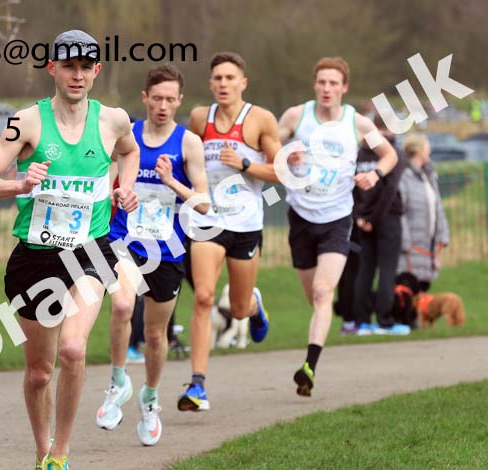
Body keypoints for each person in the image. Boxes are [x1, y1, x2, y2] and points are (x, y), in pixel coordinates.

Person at [0, 30, 139, 470]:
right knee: (40, 372)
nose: (78, 74)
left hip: (89, 251)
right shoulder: (25, 123)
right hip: (35, 259)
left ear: (97, 71)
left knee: (72, 348)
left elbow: (128, 152)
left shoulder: (113, 120)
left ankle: (62, 457)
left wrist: (123, 187)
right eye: (69, 66)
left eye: (87, 66)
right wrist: (20, 184)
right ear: (52, 68)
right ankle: (42, 454)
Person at [96, 64, 209, 445]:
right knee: (123, 307)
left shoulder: (188, 142)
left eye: (170, 99)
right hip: (123, 241)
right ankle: (116, 385)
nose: (162, 105)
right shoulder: (124, 137)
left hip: (167, 250)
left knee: (155, 335)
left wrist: (171, 181)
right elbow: (102, 180)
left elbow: (205, 204)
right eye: (156, 98)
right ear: (144, 98)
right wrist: (112, 193)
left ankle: (150, 399)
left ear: (179, 101)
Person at [278, 57, 398, 397]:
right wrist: (287, 152)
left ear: (344, 88)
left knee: (321, 292)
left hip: (337, 217)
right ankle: (309, 318)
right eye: (322, 82)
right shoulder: (295, 116)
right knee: (313, 296)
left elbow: (390, 155)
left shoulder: (357, 123)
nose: (327, 88)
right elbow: (267, 145)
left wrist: (374, 174)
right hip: (300, 216)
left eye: (334, 83)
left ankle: (309, 366)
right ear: (314, 85)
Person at [180, 52, 280, 411]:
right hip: (208, 221)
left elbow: (282, 170)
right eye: (217, 78)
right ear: (210, 83)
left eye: (230, 78)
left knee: (237, 309)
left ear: (243, 83)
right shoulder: (198, 119)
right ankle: (197, 386)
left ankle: (254, 308)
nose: (223, 84)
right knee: (204, 298)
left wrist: (246, 163)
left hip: (246, 224)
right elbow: (183, 160)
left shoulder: (259, 120)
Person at [353, 115, 409, 335]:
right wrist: (374, 220)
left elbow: (352, 189)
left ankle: (362, 321)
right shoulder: (393, 153)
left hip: (363, 219)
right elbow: (389, 191)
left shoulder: (359, 154)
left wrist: (360, 217)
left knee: (365, 270)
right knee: (387, 270)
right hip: (387, 219)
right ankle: (385, 320)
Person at [398, 133, 450, 292]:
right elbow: (401, 211)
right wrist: (405, 241)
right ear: (419, 150)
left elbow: (438, 207)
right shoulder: (404, 176)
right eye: (427, 147)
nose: (430, 151)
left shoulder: (429, 176)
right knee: (407, 294)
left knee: (422, 292)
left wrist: (443, 235)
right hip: (410, 248)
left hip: (428, 247)